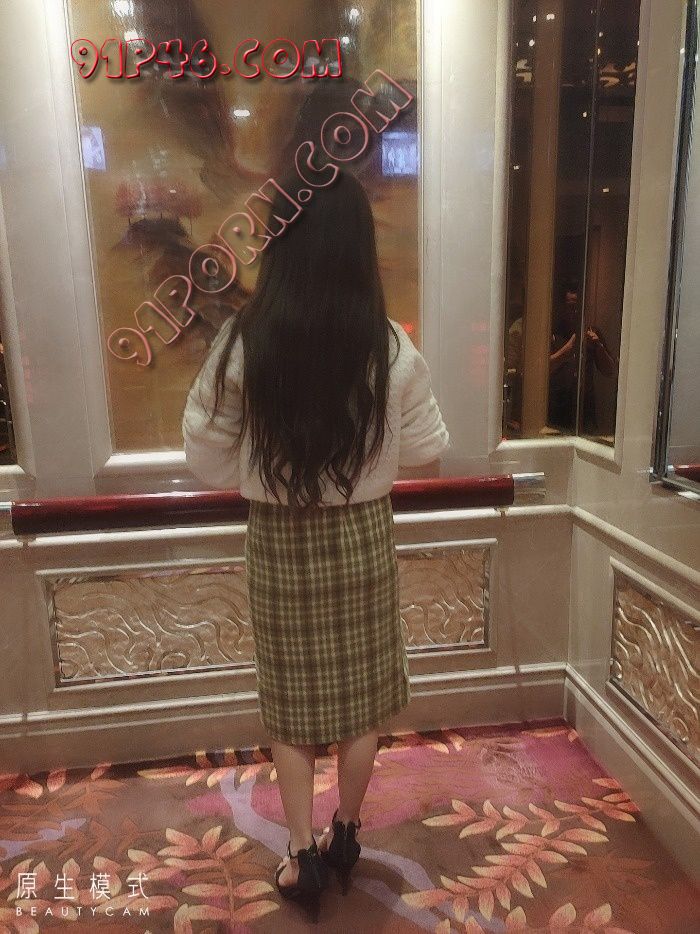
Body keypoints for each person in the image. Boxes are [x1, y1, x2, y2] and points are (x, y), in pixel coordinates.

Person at [181, 168, 450, 917]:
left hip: (279, 541)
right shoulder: (388, 344)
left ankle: (299, 855)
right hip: (361, 535)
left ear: (280, 242)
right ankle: (347, 836)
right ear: (359, 247)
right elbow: (427, 448)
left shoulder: (244, 340)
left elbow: (204, 457)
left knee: (292, 703)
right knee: (362, 701)